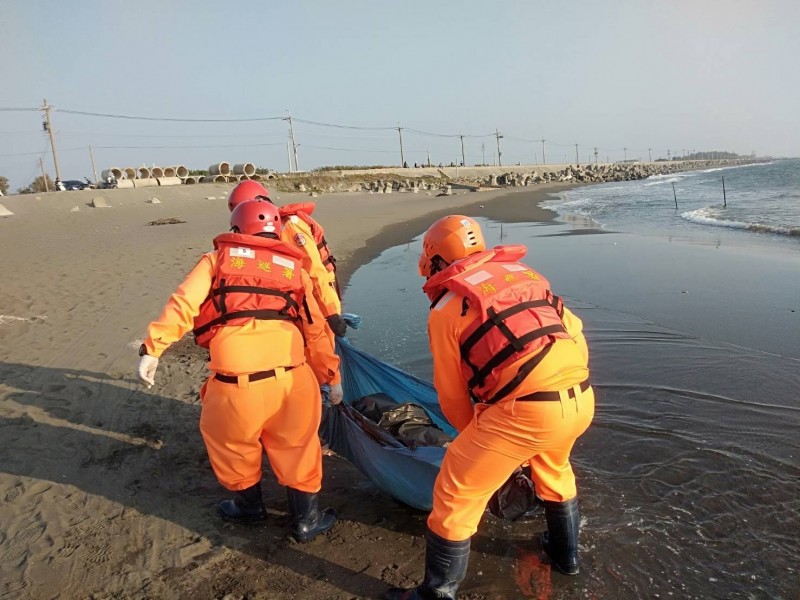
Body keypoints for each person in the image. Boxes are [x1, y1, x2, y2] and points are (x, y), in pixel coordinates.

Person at [386, 215, 594, 599]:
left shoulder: (448, 306)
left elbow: (450, 395)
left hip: (526, 411)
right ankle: (567, 557)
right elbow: (576, 337)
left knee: (455, 492)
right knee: (555, 469)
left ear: (435, 260)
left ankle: (436, 593)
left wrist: (478, 439)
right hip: (579, 396)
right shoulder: (525, 278)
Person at [137, 199, 343, 542]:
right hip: (291, 379)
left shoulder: (216, 261)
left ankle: (249, 508)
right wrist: (331, 378)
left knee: (233, 444)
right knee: (298, 446)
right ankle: (307, 520)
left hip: (233, 384)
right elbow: (316, 329)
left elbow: (184, 303)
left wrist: (153, 348)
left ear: (236, 230)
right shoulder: (296, 270)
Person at [227, 180, 346, 339]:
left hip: (319, 297)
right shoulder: (265, 229)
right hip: (299, 296)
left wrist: (330, 314)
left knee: (321, 348)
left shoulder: (289, 226)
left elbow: (314, 270)